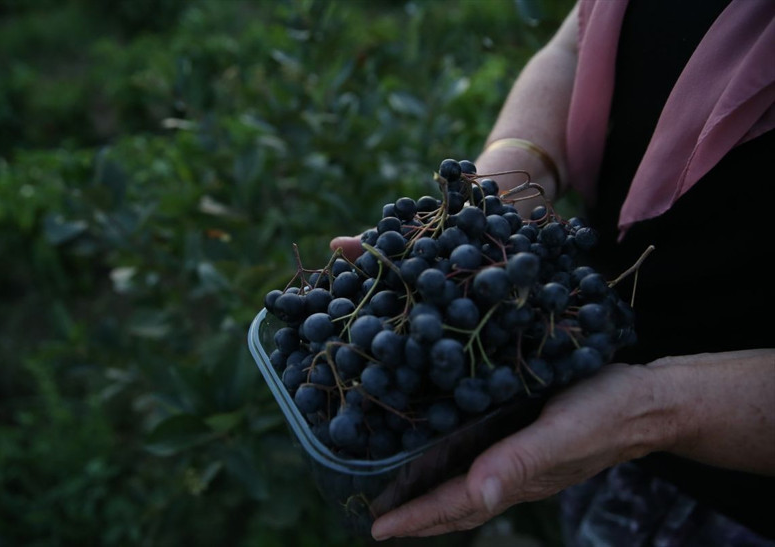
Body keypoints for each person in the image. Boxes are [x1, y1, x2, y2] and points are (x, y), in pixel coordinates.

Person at [331, 0, 775, 544]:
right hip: (573, 357)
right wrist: (513, 170)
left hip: (733, 495)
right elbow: (577, 43)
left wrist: (653, 412)